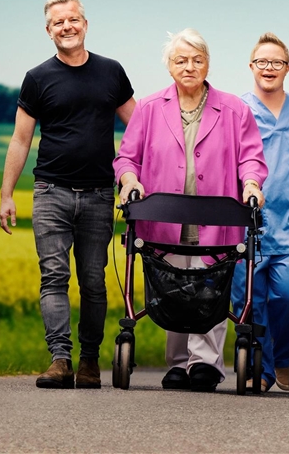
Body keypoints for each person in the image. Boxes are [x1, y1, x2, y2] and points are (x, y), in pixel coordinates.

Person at [114, 28, 267, 393]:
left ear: (208, 65)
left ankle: (205, 364)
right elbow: (126, 158)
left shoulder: (233, 109)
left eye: (197, 60)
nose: (189, 67)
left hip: (215, 221)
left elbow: (251, 158)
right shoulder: (150, 108)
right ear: (169, 66)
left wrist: (251, 185)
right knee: (172, 291)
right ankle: (178, 363)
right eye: (181, 60)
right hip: (165, 220)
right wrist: (130, 180)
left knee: (207, 292)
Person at [0, 0, 136, 389]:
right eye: (58, 22)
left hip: (97, 194)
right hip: (51, 192)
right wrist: (7, 194)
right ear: (48, 31)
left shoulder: (111, 72)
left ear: (85, 24)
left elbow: (140, 126)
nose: (67, 27)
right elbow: (20, 140)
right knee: (53, 276)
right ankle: (60, 359)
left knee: (93, 280)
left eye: (73, 19)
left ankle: (90, 361)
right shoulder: (38, 77)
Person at [230, 32, 289, 393]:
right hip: (245, 220)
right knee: (249, 299)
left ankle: (283, 358)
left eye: (277, 62)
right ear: (251, 67)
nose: (269, 68)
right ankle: (261, 368)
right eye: (262, 62)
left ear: (288, 68)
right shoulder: (237, 109)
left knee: (287, 295)